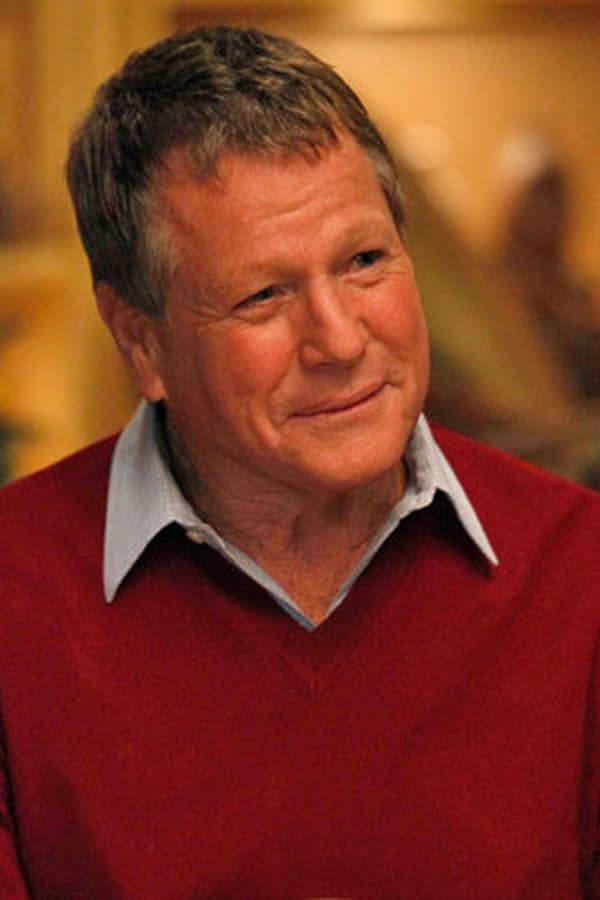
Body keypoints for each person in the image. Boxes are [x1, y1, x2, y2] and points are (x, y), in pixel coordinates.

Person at [0, 25, 599, 900]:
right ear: (141, 342)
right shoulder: (15, 589)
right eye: (264, 295)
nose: (341, 340)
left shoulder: (580, 564)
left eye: (365, 261)